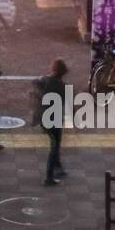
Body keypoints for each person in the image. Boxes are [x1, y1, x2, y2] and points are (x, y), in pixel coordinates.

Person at [33, 57, 69, 185]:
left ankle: (58, 167)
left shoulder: (44, 80)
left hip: (44, 118)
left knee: (55, 143)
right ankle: (49, 176)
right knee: (55, 145)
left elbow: (35, 84)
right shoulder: (62, 87)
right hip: (55, 119)